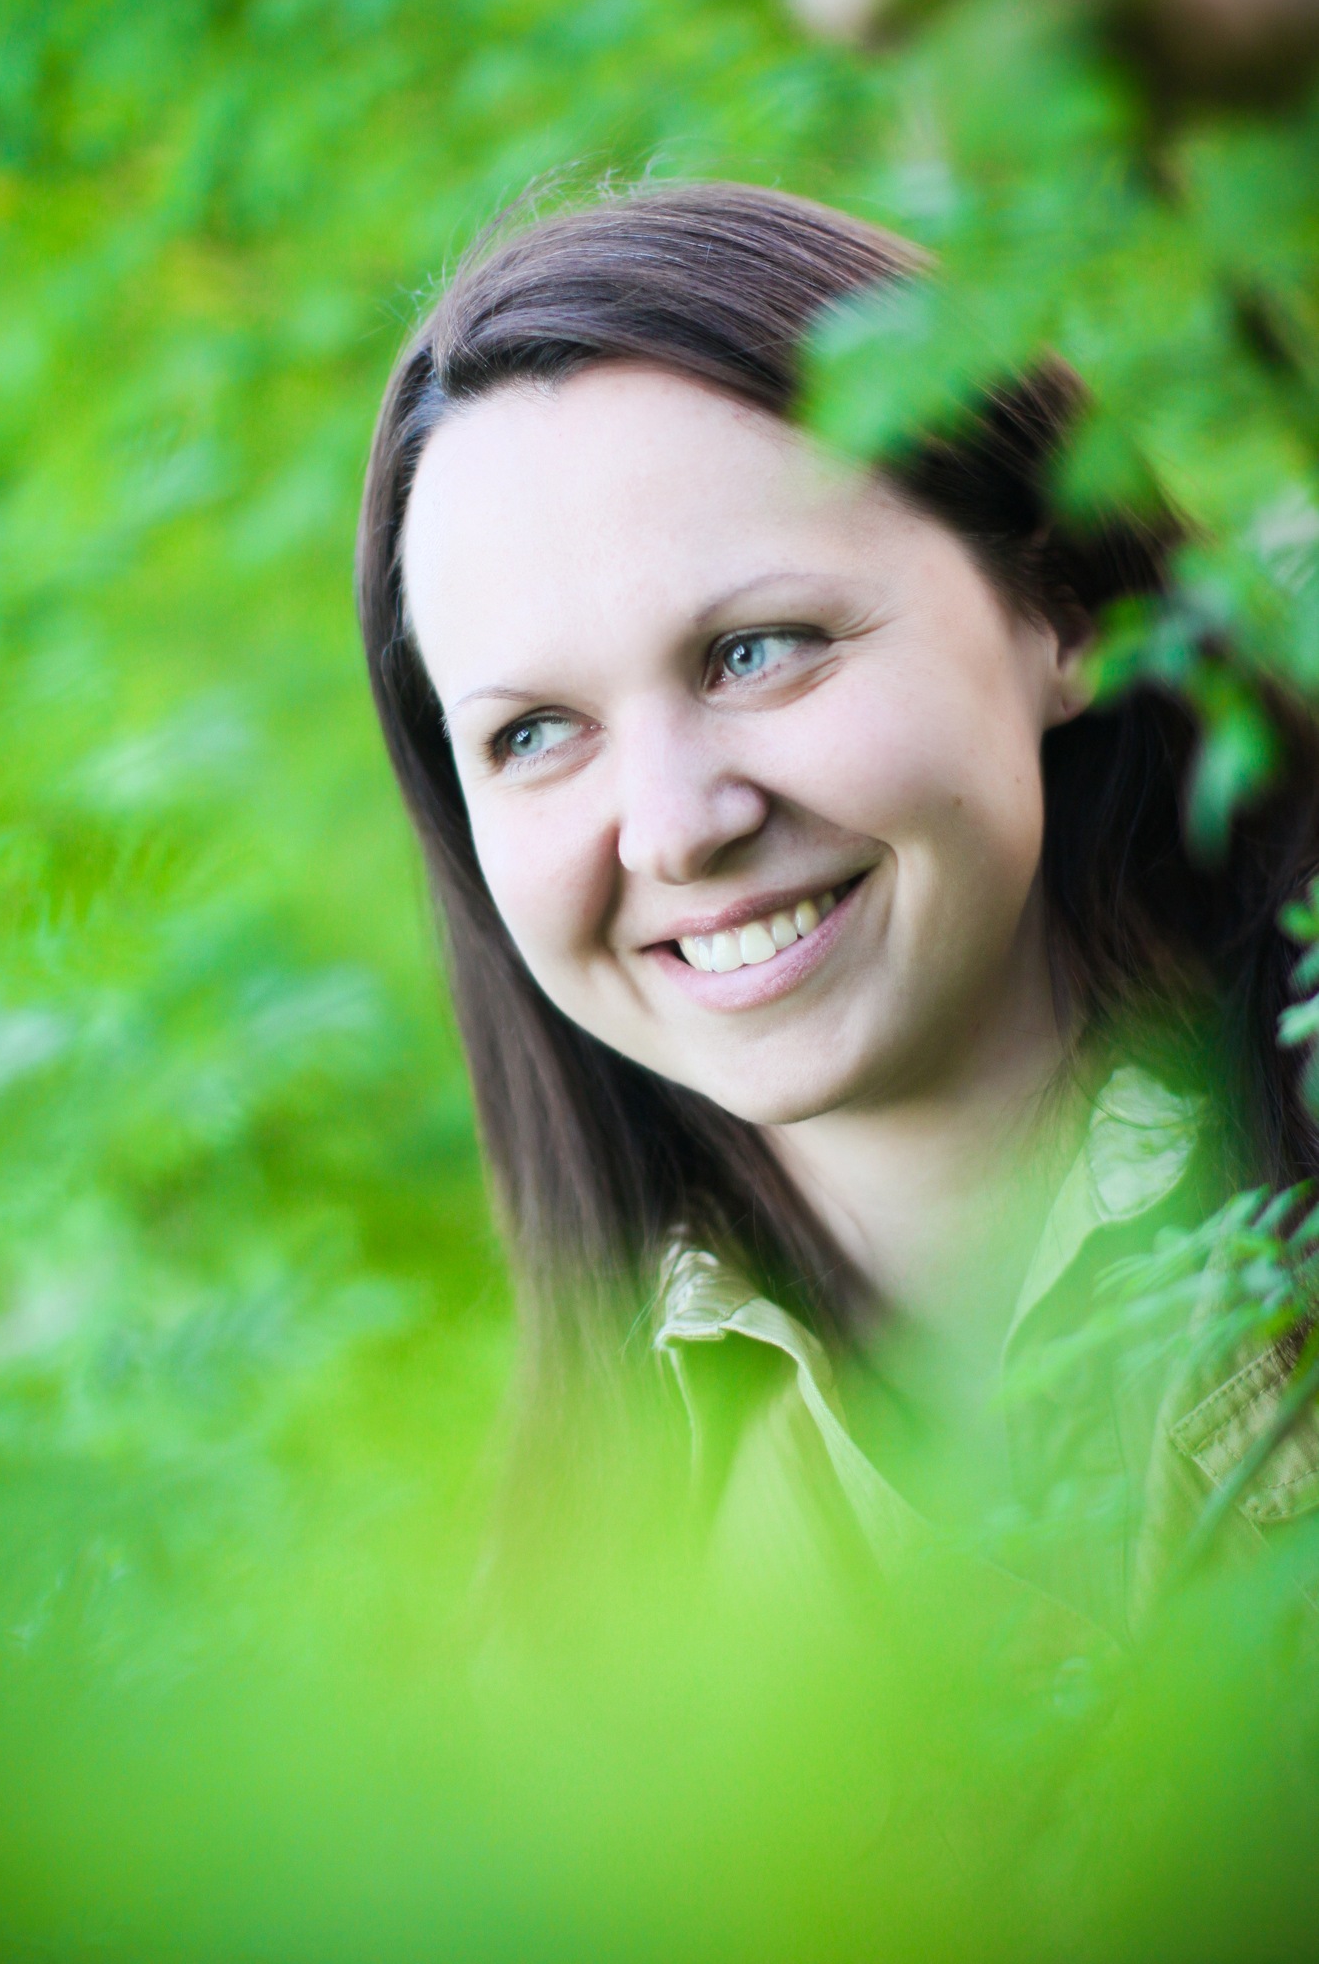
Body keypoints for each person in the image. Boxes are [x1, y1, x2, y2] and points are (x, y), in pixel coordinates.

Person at [356, 182, 1319, 1639]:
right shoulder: (571, 1615)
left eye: (756, 650)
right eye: (534, 734)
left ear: (1062, 608)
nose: (675, 827)